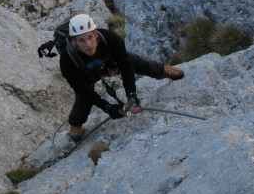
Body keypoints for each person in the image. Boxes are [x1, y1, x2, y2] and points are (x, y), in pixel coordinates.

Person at [59, 13, 184, 142]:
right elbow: (83, 90)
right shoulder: (67, 61)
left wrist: (131, 94)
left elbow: (126, 65)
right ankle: (75, 125)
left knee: (136, 61)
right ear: (74, 41)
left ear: (95, 34)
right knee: (83, 100)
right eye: (82, 40)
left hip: (110, 64)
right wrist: (107, 107)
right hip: (86, 76)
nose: (88, 44)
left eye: (90, 37)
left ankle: (163, 71)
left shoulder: (111, 39)